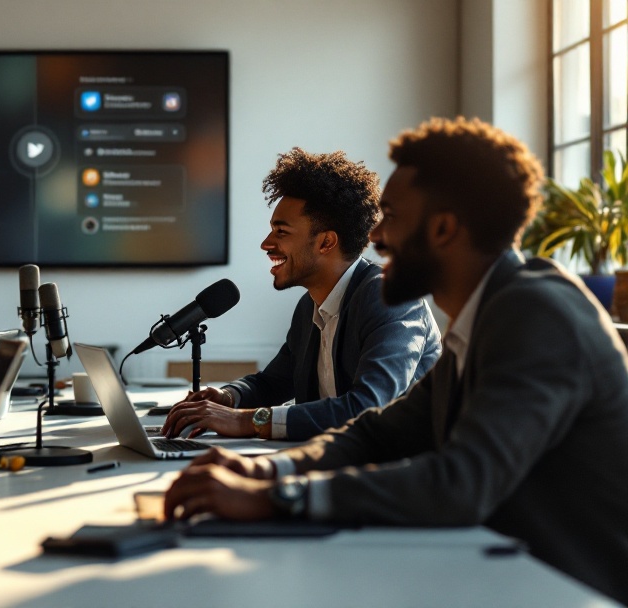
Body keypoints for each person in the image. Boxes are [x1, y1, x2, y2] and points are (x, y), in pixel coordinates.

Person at [163, 118, 628, 604]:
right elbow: (377, 431)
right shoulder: (484, 317)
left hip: (567, 590)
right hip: (500, 571)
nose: (376, 237)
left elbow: (461, 481)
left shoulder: (535, 312)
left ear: (444, 228)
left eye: (392, 217)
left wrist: (279, 497)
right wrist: (267, 473)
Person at [162, 148, 440, 441]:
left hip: (402, 474)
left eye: (281, 232)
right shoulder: (309, 306)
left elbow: (368, 407)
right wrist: (227, 398)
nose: (266, 244)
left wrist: (247, 421)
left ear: (326, 243)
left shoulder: (392, 299)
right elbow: (273, 383)